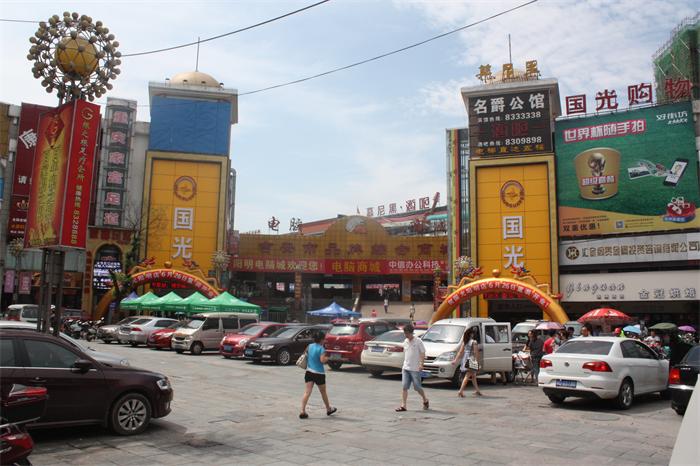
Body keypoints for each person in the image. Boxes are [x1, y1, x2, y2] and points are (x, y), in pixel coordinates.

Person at [299, 331, 337, 419]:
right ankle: (328, 409)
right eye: (324, 339)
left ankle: (302, 411)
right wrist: (328, 358)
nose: (325, 340)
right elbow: (322, 361)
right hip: (319, 373)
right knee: (323, 392)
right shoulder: (321, 349)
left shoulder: (310, 346)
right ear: (321, 340)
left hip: (309, 372)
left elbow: (305, 355)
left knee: (307, 392)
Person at [395, 324, 429, 411]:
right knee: (404, 386)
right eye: (405, 333)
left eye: (407, 333)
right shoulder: (405, 341)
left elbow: (422, 353)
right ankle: (403, 406)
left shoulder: (418, 341)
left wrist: (421, 364)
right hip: (406, 368)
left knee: (417, 387)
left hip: (415, 369)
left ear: (411, 333)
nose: (406, 335)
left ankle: (425, 399)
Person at [453, 327, 482, 397]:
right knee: (468, 375)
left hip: (465, 359)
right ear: (471, 334)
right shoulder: (474, 342)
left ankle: (477, 391)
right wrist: (478, 363)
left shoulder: (465, 342)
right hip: (471, 359)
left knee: (473, 376)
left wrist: (455, 360)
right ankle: (460, 391)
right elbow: (475, 352)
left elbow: (460, 352)